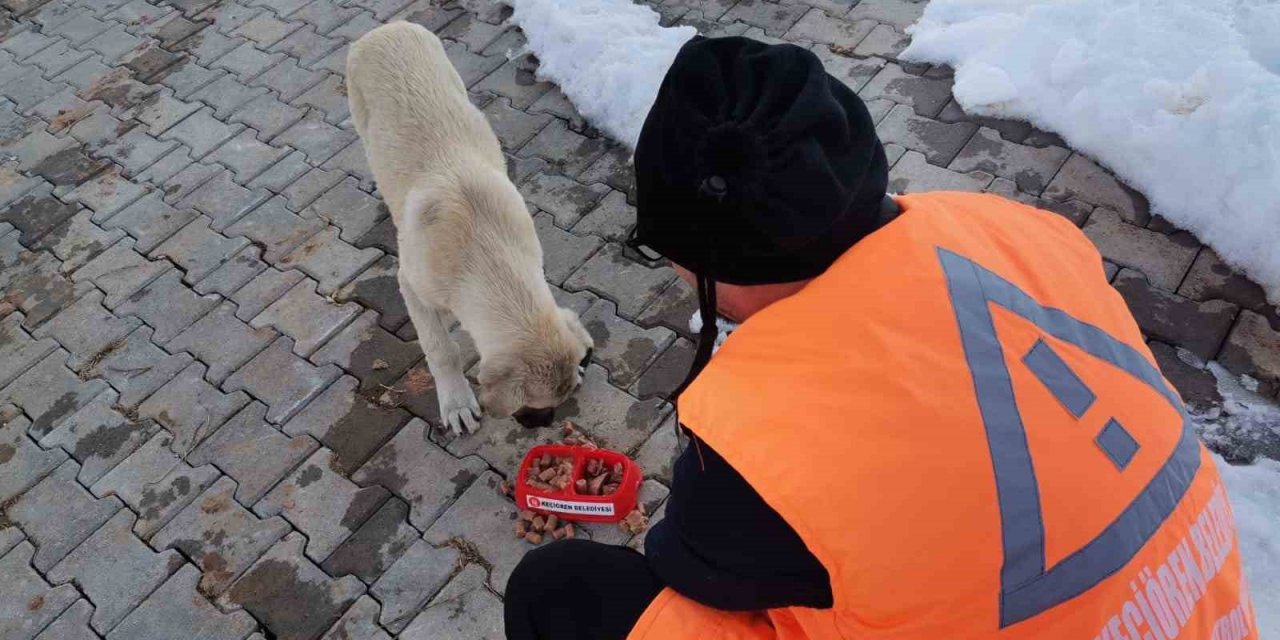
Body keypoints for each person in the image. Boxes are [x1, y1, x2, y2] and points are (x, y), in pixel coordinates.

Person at [504, 36, 1258, 640]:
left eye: (666, 251)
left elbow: (694, 565)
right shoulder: (1021, 231)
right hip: (1207, 612)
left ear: (713, 260)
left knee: (562, 591)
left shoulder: (757, 438)